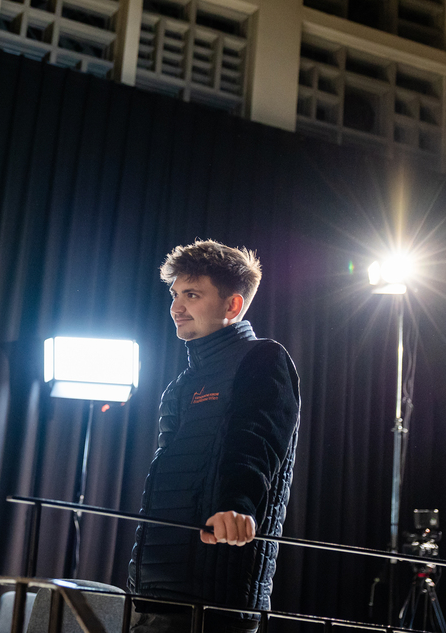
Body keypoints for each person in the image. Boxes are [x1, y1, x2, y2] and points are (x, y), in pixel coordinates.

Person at [128, 240, 301, 633]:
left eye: (192, 294)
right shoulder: (180, 385)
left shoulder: (263, 358)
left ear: (232, 305)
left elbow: (255, 442)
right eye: (175, 294)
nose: (176, 307)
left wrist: (236, 506)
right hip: (155, 589)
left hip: (217, 595)